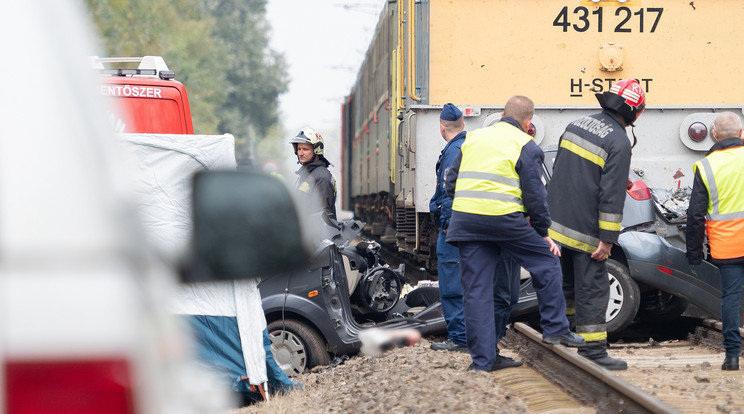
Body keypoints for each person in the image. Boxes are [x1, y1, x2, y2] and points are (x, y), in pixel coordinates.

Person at [445, 95, 583, 372]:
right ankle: (556, 328)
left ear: (501, 114)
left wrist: (470, 206)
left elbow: (451, 182)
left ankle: (482, 362)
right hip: (505, 221)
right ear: (528, 122)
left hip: (467, 222)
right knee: (547, 261)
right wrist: (543, 232)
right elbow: (535, 196)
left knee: (476, 292)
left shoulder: (473, 139)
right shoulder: (525, 145)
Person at [547, 79, 646, 370]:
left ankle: (564, 337)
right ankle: (593, 350)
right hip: (585, 229)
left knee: (566, 285)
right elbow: (611, 196)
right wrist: (607, 239)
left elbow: (562, 169)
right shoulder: (618, 141)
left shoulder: (578, 124)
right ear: (634, 112)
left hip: (557, 224)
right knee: (592, 288)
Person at [686, 111, 744, 371]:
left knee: (730, 298)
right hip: (729, 244)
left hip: (727, 245)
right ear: (742, 134)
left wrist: (694, 253)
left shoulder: (706, 166)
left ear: (714, 135)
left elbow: (696, 214)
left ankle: (732, 356)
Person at [428, 103, 469, 352]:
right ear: (463, 124)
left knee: (452, 283)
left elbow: (448, 194)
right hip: (467, 225)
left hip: (453, 228)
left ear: (442, 128)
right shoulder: (466, 145)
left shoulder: (453, 151)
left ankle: (460, 337)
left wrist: (446, 226)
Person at [290, 127, 337, 222]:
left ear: (317, 150)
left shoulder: (322, 177)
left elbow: (321, 214)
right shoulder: (307, 175)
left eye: (305, 149)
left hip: (317, 235)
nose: (300, 153)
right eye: (298, 149)